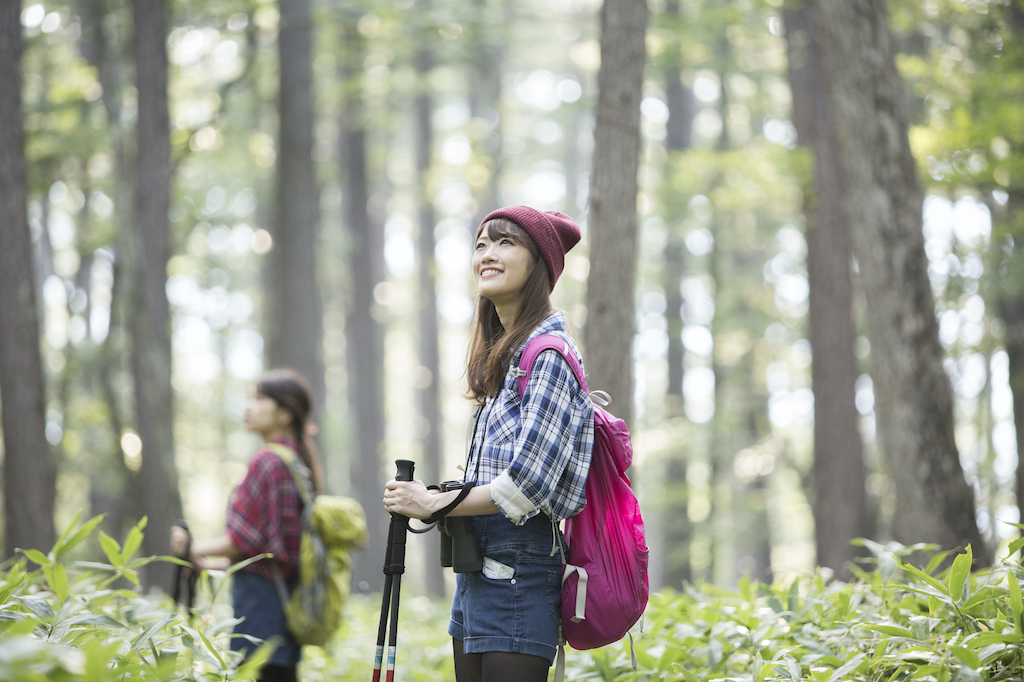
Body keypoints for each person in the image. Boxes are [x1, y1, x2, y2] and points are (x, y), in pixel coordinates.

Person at [384, 206, 595, 682]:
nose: (488, 254)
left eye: (505, 243)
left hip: (520, 571)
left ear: (538, 263)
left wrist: (433, 502)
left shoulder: (550, 357)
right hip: (478, 569)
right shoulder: (510, 360)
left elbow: (527, 486)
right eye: (481, 244)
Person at [171, 369, 325, 682]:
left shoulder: (267, 460)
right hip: (285, 599)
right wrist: (206, 560)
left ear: (284, 414)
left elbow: (246, 542)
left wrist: (191, 549)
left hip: (260, 604)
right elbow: (268, 547)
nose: (248, 406)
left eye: (258, 398)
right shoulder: (294, 459)